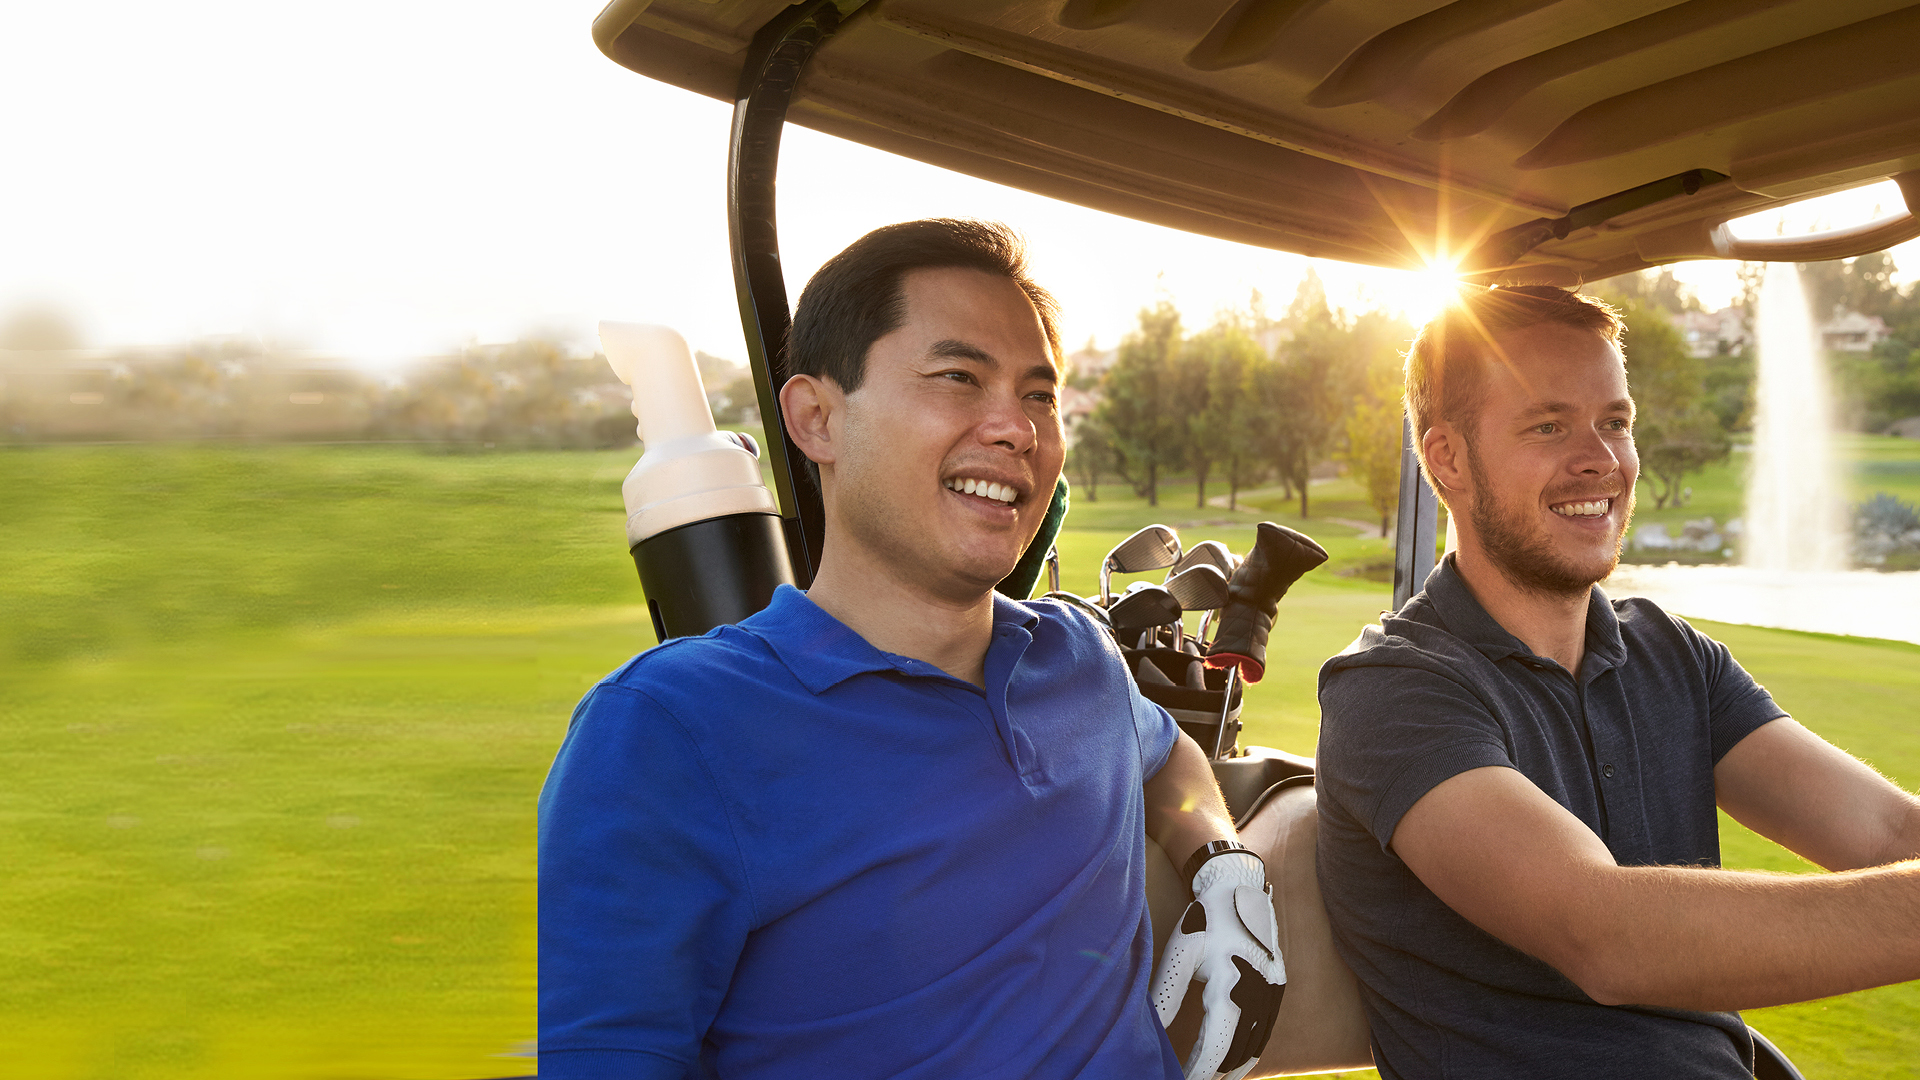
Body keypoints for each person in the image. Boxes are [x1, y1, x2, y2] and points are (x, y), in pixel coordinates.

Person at [538, 219, 1278, 1080]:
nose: (1017, 428)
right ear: (816, 419)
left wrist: (1224, 869)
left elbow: (1165, 756)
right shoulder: (664, 730)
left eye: (1039, 395)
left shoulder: (1078, 656)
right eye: (959, 377)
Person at [1313, 284, 1920, 1079]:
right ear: (1448, 458)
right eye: (1548, 425)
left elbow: (1886, 835)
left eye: (1616, 422)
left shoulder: (1671, 655)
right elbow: (1605, 934)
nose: (1600, 458)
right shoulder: (1392, 690)